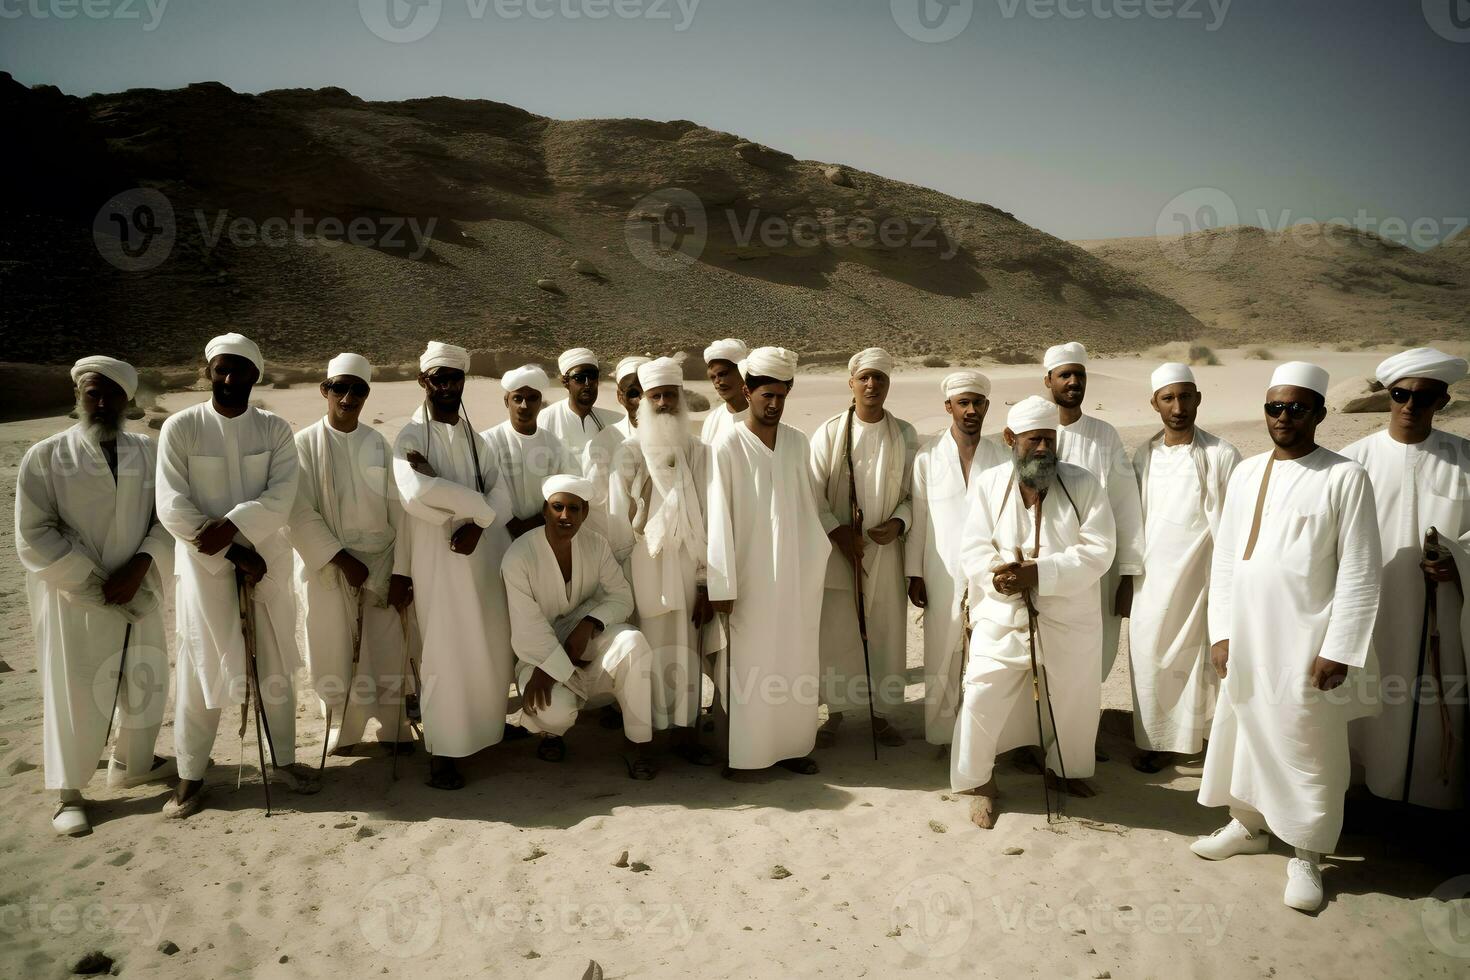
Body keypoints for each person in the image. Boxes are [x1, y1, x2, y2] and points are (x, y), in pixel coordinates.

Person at [1192, 361, 1381, 913]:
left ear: (1320, 413)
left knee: (1307, 743)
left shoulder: (1345, 477)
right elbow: (1226, 559)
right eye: (1274, 407)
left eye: (1296, 408)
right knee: (1243, 730)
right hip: (1247, 637)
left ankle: (1307, 852)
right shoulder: (1247, 473)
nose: (1283, 417)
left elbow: (1360, 571)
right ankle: (1248, 825)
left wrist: (1340, 648)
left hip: (1306, 641)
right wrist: (1222, 632)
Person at [156, 333, 318, 818]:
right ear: (207, 371)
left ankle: (285, 761)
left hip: (266, 561)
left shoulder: (274, 430)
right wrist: (231, 551)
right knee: (202, 664)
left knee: (274, 666)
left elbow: (282, 493)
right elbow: (171, 503)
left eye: (241, 370)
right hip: (205, 568)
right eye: (222, 369)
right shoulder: (181, 428)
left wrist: (236, 529)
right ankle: (191, 775)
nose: (230, 379)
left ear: (256, 375)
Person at [16, 356, 175, 835]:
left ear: (129, 400)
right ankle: (69, 793)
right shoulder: (45, 456)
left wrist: (140, 567)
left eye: (111, 394)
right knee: (75, 690)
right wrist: (93, 580)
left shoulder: (148, 453)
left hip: (139, 588)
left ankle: (133, 763)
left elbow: (164, 517)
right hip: (73, 597)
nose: (101, 402)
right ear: (79, 397)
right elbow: (33, 532)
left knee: (145, 680)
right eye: (92, 393)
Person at [951, 396, 1115, 829]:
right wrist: (998, 576)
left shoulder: (1083, 484)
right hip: (1003, 613)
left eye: (1048, 439)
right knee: (983, 691)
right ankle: (980, 782)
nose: (1042, 448)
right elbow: (972, 546)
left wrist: (1041, 573)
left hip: (1069, 611)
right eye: (1033, 440)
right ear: (1010, 439)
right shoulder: (989, 485)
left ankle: (1067, 770)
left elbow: (1100, 550)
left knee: (1076, 697)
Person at [1342, 347, 1470, 810]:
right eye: (1401, 394)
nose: (1411, 406)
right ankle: (1361, 794)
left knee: (1436, 702)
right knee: (1365, 702)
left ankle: (1427, 805)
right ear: (1388, 396)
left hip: (1443, 616)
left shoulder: (1465, 459)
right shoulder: (1351, 461)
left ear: (1443, 401)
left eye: (1425, 397)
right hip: (1371, 612)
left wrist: (1460, 561)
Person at [393, 341, 517, 790]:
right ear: (423, 382)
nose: (447, 386)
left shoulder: (476, 439)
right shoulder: (409, 437)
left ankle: (487, 732)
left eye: (455, 378)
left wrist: (479, 523)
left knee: (486, 643)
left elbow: (501, 496)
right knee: (444, 650)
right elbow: (416, 494)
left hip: (481, 555)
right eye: (438, 378)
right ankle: (444, 751)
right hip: (436, 559)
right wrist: (475, 508)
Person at [706, 347, 831, 776]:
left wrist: (812, 566)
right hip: (749, 580)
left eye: (781, 396)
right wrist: (722, 585)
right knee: (752, 666)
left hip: (795, 576)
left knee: (795, 659)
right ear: (747, 391)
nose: (774, 404)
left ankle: (794, 747)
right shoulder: (727, 445)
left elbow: (808, 509)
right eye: (766, 396)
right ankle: (749, 756)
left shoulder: (797, 442)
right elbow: (718, 519)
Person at [288, 353, 415, 758]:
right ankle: (343, 727)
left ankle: (394, 726)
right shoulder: (303, 444)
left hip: (380, 562)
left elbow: (399, 510)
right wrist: (341, 559)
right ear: (325, 391)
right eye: (340, 388)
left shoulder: (378, 443)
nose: (348, 397)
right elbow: (297, 509)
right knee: (333, 648)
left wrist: (400, 570)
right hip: (330, 565)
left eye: (357, 390)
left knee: (386, 646)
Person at [502, 475, 659, 778]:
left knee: (633, 643)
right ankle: (550, 734)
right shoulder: (519, 556)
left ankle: (637, 743)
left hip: (585, 643)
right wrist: (549, 669)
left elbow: (622, 597)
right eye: (557, 507)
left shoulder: (596, 544)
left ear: (585, 513)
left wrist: (590, 622)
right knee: (554, 710)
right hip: (538, 656)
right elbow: (528, 627)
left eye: (574, 509)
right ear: (545, 511)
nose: (565, 515)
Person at [1127, 363, 1240, 773]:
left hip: (1203, 579)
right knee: (1149, 654)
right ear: (1154, 403)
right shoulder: (1145, 455)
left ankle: (1205, 741)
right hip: (1152, 579)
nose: (1178, 407)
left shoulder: (1222, 455)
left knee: (1205, 664)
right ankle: (1158, 741)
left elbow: (1233, 523)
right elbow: (1135, 518)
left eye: (1185, 397)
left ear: (1198, 399)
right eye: (1168, 398)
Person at [607, 357, 718, 764]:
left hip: (689, 570)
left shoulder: (701, 452)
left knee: (686, 651)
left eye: (672, 395)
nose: (665, 403)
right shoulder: (628, 452)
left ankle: (686, 736)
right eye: (657, 396)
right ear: (644, 402)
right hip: (643, 571)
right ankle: (642, 744)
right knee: (645, 659)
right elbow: (619, 525)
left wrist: (706, 581)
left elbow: (710, 518)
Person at [809, 348, 919, 748]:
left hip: (886, 552)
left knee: (886, 631)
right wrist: (837, 531)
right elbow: (813, 492)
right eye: (865, 378)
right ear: (851, 383)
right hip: (839, 551)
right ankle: (835, 713)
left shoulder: (905, 434)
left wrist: (898, 522)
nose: (872, 385)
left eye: (881, 379)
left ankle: (881, 715)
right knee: (837, 632)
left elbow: (914, 493)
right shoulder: (829, 432)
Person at [905, 370, 1008, 748]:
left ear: (987, 407)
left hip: (988, 573)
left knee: (984, 655)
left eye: (977, 403)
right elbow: (919, 519)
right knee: (940, 654)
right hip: (940, 569)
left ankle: (982, 738)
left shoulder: (1001, 456)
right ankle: (942, 736)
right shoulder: (927, 457)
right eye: (963, 403)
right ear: (948, 406)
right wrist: (914, 573)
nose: (970, 410)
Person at [1042, 342, 1143, 683]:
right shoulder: (1035, 433)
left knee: (1093, 654)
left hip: (1097, 570)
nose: (1073, 382)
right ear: (1048, 381)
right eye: (1065, 375)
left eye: (1080, 375)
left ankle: (1083, 729)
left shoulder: (1104, 435)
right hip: (1045, 567)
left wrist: (1127, 575)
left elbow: (1125, 505)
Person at [482, 365, 577, 540]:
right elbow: (485, 490)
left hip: (542, 530)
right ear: (506, 401)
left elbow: (565, 487)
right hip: (498, 533)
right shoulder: (487, 441)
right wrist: (513, 525)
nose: (524, 406)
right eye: (517, 398)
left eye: (532, 398)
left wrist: (535, 523)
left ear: (540, 402)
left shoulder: (553, 443)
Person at [581, 356, 649, 542]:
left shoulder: (675, 439)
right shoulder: (603, 444)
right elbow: (597, 510)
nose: (642, 401)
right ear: (620, 396)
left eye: (648, 393)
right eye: (634, 393)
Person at [539, 348, 621, 465]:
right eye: (579, 378)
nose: (587, 383)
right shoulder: (547, 418)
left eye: (592, 376)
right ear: (565, 382)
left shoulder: (614, 421)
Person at [700, 338, 750, 445]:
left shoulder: (762, 414)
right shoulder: (712, 420)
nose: (718, 382)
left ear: (741, 372)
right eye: (713, 377)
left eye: (723, 374)